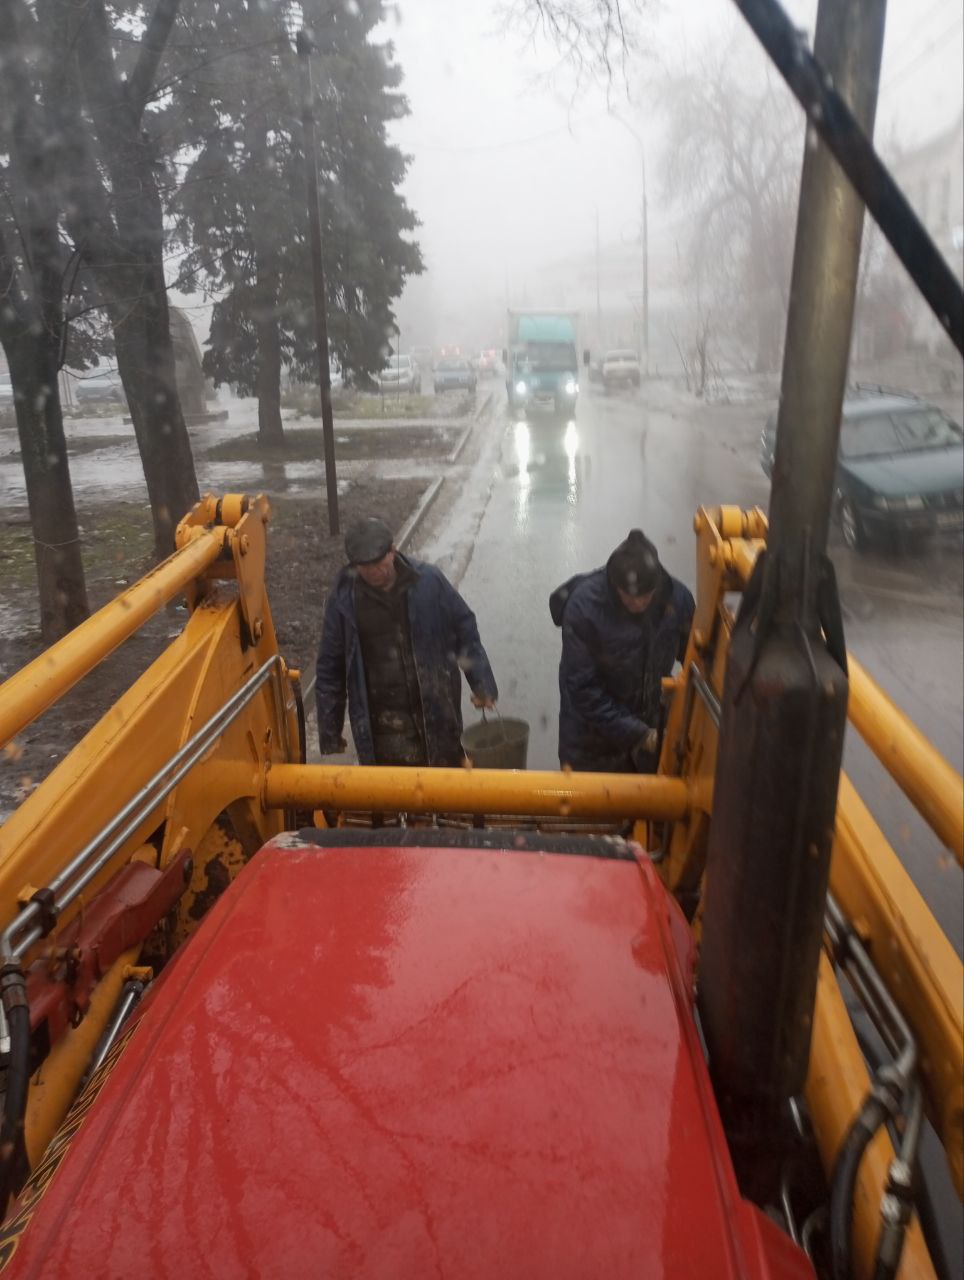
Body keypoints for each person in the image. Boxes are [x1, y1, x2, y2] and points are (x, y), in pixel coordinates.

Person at [316, 516, 498, 766]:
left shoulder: (429, 583)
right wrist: (330, 731)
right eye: (365, 567)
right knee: (392, 787)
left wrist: (482, 684)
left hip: (436, 715)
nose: (373, 572)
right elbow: (330, 667)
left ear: (392, 551)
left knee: (444, 781)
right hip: (382, 730)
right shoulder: (344, 602)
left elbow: (464, 629)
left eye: (378, 563)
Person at [550, 529, 694, 773]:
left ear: (657, 585)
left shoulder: (677, 600)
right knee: (592, 798)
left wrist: (679, 697)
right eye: (628, 597)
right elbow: (583, 688)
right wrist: (639, 734)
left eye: (645, 597)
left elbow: (696, 658)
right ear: (614, 584)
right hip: (590, 744)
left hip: (649, 732)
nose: (637, 604)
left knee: (650, 796)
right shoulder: (584, 608)